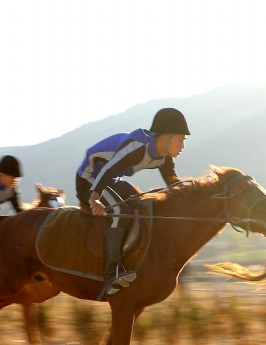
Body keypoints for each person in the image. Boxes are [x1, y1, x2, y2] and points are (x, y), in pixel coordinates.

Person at [75, 107, 189, 297]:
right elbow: (108, 170)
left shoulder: (164, 159)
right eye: (181, 139)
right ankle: (112, 273)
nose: (183, 145)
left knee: (142, 203)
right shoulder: (137, 146)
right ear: (166, 138)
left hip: (112, 179)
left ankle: (135, 260)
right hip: (90, 179)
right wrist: (94, 196)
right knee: (121, 211)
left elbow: (173, 183)